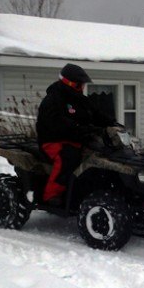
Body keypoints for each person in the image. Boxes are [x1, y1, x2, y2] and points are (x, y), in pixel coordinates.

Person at [36, 63, 115, 205]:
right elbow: (57, 123)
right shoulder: (53, 100)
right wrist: (83, 128)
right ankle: (52, 195)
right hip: (54, 141)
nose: (82, 88)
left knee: (104, 155)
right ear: (70, 83)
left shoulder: (80, 100)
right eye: (80, 85)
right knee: (68, 157)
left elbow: (96, 114)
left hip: (78, 138)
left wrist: (112, 123)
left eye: (83, 85)